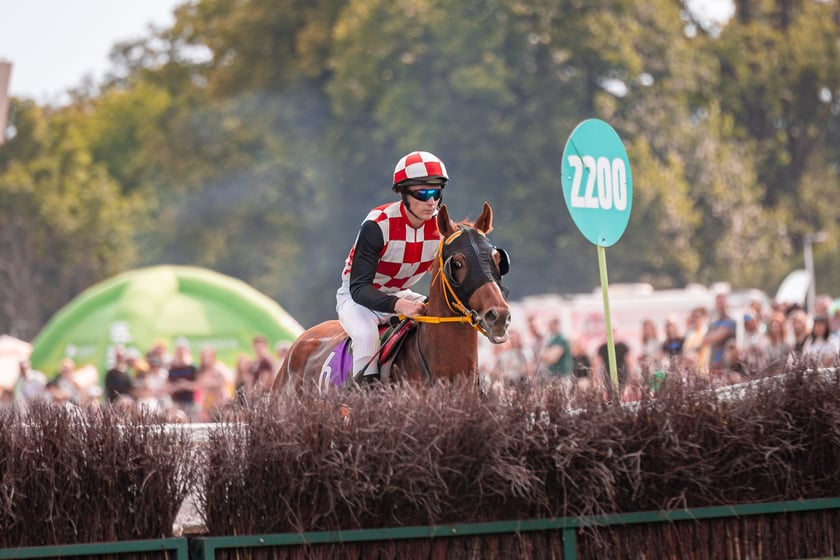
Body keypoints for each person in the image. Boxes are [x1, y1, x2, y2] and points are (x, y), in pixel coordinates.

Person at [337, 150, 448, 382]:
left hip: (401, 294)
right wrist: (400, 305)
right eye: (423, 193)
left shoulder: (441, 227)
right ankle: (365, 398)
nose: (431, 202)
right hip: (358, 299)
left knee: (445, 318)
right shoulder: (377, 225)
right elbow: (359, 288)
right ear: (403, 193)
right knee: (366, 336)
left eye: (436, 192)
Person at [703, 292, 737, 375]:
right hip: (713, 361)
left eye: (722, 302)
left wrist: (717, 333)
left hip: (727, 363)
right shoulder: (713, 323)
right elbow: (706, 340)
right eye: (718, 303)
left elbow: (723, 334)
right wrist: (721, 331)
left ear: (727, 303)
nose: (720, 305)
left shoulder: (732, 321)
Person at [167, 340, 199, 420]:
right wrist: (176, 386)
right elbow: (167, 386)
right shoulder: (171, 368)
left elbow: (199, 384)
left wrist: (186, 385)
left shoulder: (192, 367)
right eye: (178, 350)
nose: (180, 352)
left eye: (182, 350)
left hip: (190, 402)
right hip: (176, 402)